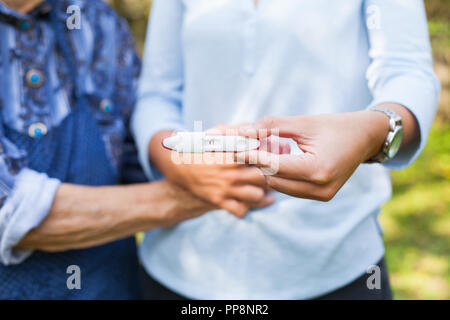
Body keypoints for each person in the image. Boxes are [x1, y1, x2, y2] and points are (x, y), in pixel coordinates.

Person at [132, 0, 440, 299]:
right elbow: (158, 92)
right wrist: (175, 160)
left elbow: (407, 72)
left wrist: (371, 132)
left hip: (336, 265)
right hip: (182, 263)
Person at [0, 0, 239, 299]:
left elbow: (137, 150)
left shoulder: (94, 19)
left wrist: (197, 162)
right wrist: (210, 192)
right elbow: (11, 212)